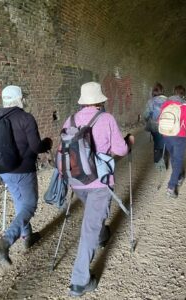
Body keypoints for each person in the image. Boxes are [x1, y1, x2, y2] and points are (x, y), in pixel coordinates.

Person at [61, 82, 134, 297]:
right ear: (100, 100)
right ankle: (79, 281)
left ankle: (103, 234)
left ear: (83, 101)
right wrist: (129, 141)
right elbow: (120, 149)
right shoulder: (106, 118)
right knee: (90, 227)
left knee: (95, 215)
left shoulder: (70, 119)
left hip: (76, 179)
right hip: (99, 182)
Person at [0, 85, 53, 265]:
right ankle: (6, 241)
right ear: (20, 98)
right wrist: (47, 144)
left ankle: (27, 236)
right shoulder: (25, 118)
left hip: (2, 170)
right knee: (29, 205)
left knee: (20, 200)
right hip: (23, 170)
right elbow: (35, 147)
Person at [160, 85, 186, 198]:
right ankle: (171, 187)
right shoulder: (184, 105)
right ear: (183, 94)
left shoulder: (166, 103)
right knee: (178, 160)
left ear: (174, 93)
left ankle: (179, 177)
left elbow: (160, 118)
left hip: (165, 134)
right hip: (178, 136)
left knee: (174, 157)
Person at [143, 82, 168, 169]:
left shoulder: (151, 101)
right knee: (164, 141)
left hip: (154, 126)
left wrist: (147, 120)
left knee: (157, 143)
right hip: (167, 126)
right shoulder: (168, 100)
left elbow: (146, 115)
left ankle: (158, 163)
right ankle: (164, 157)